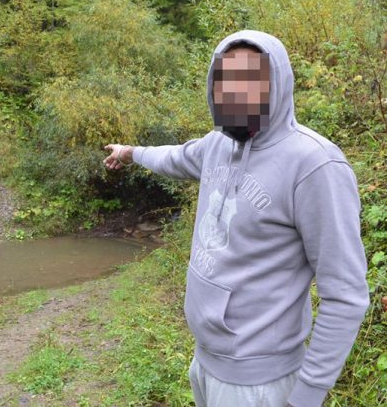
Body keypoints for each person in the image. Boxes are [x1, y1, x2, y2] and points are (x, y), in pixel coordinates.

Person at [102, 29, 370, 407]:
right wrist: (131, 152)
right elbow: (175, 157)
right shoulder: (218, 145)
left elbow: (346, 295)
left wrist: (306, 396)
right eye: (225, 79)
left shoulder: (315, 166)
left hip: (261, 385)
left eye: (250, 80)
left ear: (277, 85)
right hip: (206, 363)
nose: (234, 92)